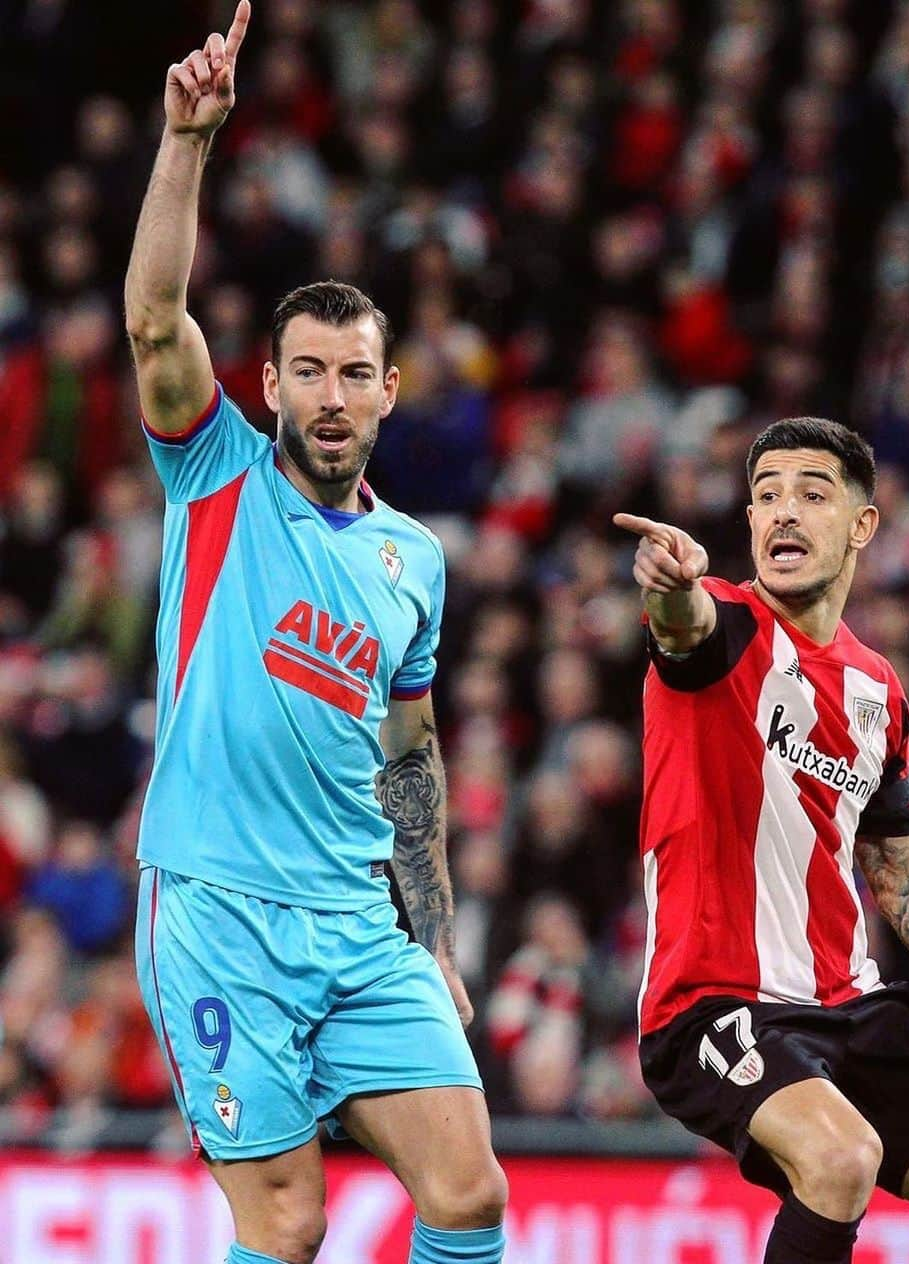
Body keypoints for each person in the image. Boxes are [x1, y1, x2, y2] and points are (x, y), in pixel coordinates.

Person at [123, 6, 507, 1263]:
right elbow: (151, 320)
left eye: (355, 374)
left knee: (468, 1193)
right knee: (287, 1224)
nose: (331, 397)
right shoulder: (218, 478)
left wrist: (435, 936)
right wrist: (188, 140)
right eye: (308, 371)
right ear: (270, 382)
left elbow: (411, 750)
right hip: (219, 910)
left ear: (389, 389)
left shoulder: (416, 561)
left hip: (360, 926)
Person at [614, 416, 909, 1264]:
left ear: (863, 524)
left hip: (850, 1006)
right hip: (715, 1002)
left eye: (811, 494)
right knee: (840, 1157)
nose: (783, 512)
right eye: (766, 496)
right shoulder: (725, 624)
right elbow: (680, 626)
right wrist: (669, 586)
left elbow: (897, 867)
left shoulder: (878, 690)